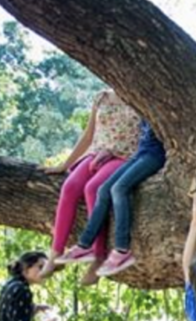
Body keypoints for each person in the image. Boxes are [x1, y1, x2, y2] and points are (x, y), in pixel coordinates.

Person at [41, 90, 141, 280]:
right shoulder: (102, 97)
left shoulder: (139, 96)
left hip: (123, 155)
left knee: (93, 188)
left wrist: (112, 152)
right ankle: (55, 253)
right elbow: (88, 136)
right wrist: (65, 164)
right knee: (69, 187)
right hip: (96, 153)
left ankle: (98, 254)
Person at [57, 119, 167, 281]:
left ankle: (122, 250)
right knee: (103, 190)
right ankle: (84, 245)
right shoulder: (141, 107)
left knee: (119, 189)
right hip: (140, 154)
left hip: (154, 156)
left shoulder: (159, 105)